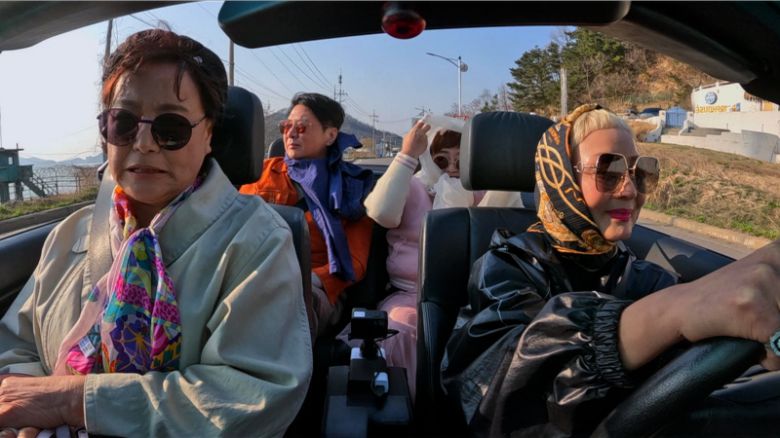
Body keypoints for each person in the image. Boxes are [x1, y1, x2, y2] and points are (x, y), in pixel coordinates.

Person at [0, 29, 312, 436]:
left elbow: (250, 397)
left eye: (171, 127)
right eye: (123, 123)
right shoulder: (71, 234)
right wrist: (22, 411)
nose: (144, 143)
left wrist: (70, 401)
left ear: (209, 133)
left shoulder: (256, 241)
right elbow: (15, 344)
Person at [441, 104, 780, 436]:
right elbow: (491, 388)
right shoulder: (507, 265)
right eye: (608, 170)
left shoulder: (646, 277)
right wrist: (668, 314)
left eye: (641, 172)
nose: (630, 190)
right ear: (561, 179)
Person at [347, 115, 497, 399]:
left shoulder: (486, 191)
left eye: (461, 160)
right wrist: (407, 156)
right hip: (412, 295)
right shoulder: (413, 185)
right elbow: (380, 212)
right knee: (402, 330)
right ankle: (414, 410)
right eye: (442, 159)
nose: (452, 168)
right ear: (429, 158)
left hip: (477, 296)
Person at [239, 93, 375, 338]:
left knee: (288, 307)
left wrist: (305, 279)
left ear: (330, 135)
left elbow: (355, 261)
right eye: (286, 126)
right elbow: (233, 221)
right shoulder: (262, 172)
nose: (291, 133)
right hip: (253, 275)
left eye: (302, 127)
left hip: (313, 290)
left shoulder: (351, 189)